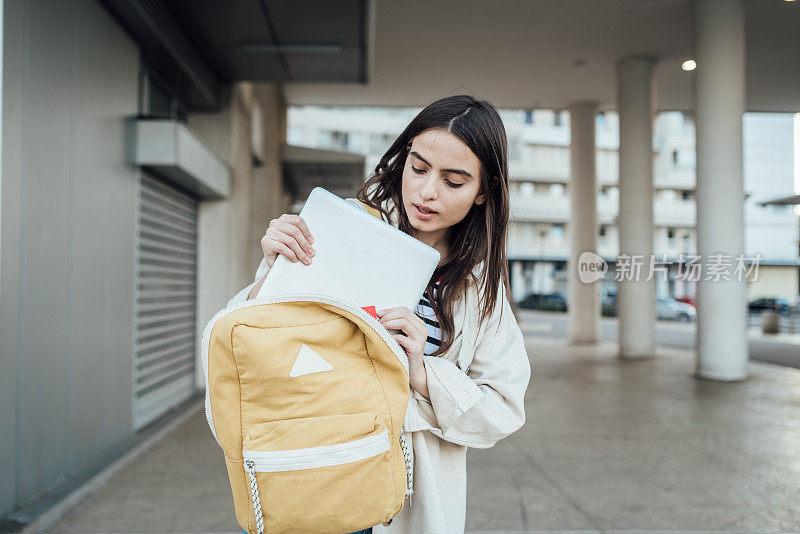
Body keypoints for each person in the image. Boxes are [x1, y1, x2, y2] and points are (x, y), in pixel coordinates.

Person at [228, 94, 531, 534]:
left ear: (483, 191)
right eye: (419, 168)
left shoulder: (480, 290)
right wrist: (274, 269)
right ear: (403, 159)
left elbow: (503, 408)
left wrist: (421, 372)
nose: (427, 192)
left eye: (454, 181)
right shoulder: (342, 227)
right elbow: (253, 340)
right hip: (306, 469)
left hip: (403, 501)